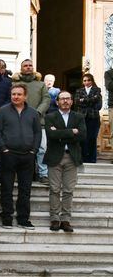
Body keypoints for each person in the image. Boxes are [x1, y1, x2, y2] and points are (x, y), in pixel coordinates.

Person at [0, 83, 42, 230]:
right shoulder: (2, 112)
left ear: (25, 96)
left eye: (19, 94)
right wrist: (3, 149)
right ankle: (7, 217)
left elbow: (38, 133)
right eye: (13, 94)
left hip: (27, 156)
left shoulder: (33, 113)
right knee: (7, 188)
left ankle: (23, 219)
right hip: (8, 155)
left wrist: (34, 150)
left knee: (25, 189)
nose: (16, 96)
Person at [44, 90, 86, 233]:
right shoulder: (50, 116)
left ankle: (66, 220)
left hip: (72, 157)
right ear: (57, 102)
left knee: (68, 190)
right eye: (62, 99)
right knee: (54, 189)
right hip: (55, 156)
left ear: (72, 101)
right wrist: (71, 132)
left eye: (68, 98)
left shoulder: (79, 117)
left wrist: (60, 133)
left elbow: (82, 136)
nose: (65, 101)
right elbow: (51, 135)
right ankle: (55, 219)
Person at [11, 59, 50, 183]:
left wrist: (38, 112)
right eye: (25, 66)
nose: (28, 67)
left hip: (39, 120)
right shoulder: (15, 84)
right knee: (19, 147)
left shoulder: (41, 84)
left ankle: (43, 174)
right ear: (21, 68)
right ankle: (18, 173)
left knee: (42, 148)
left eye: (30, 65)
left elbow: (46, 99)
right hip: (19, 120)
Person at [73, 73, 102, 163]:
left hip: (93, 118)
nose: (87, 82)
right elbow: (77, 102)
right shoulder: (79, 91)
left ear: (92, 81)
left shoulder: (97, 90)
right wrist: (91, 99)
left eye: (89, 80)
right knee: (82, 137)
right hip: (82, 118)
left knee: (92, 138)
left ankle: (92, 159)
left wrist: (84, 100)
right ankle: (83, 158)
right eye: (85, 80)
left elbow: (99, 106)